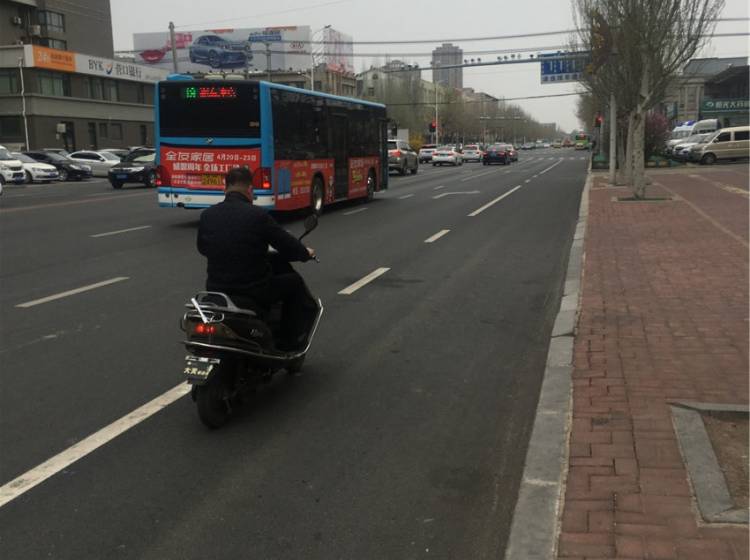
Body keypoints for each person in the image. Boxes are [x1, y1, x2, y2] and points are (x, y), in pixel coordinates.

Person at [197, 167, 316, 351]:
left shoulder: (207, 215)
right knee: (294, 283)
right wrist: (304, 253)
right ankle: (288, 343)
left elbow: (203, 248)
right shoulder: (258, 216)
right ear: (250, 190)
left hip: (216, 288)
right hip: (253, 290)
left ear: (224, 188)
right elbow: (286, 244)